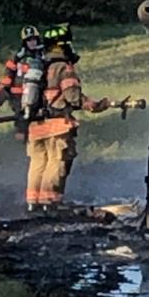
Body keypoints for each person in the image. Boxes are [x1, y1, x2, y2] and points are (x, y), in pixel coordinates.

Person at [24, 24, 109, 212]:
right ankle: (49, 203)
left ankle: (33, 202)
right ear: (63, 46)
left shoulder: (39, 67)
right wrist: (97, 105)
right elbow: (74, 97)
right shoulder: (63, 68)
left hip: (36, 126)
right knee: (57, 162)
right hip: (57, 126)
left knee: (38, 163)